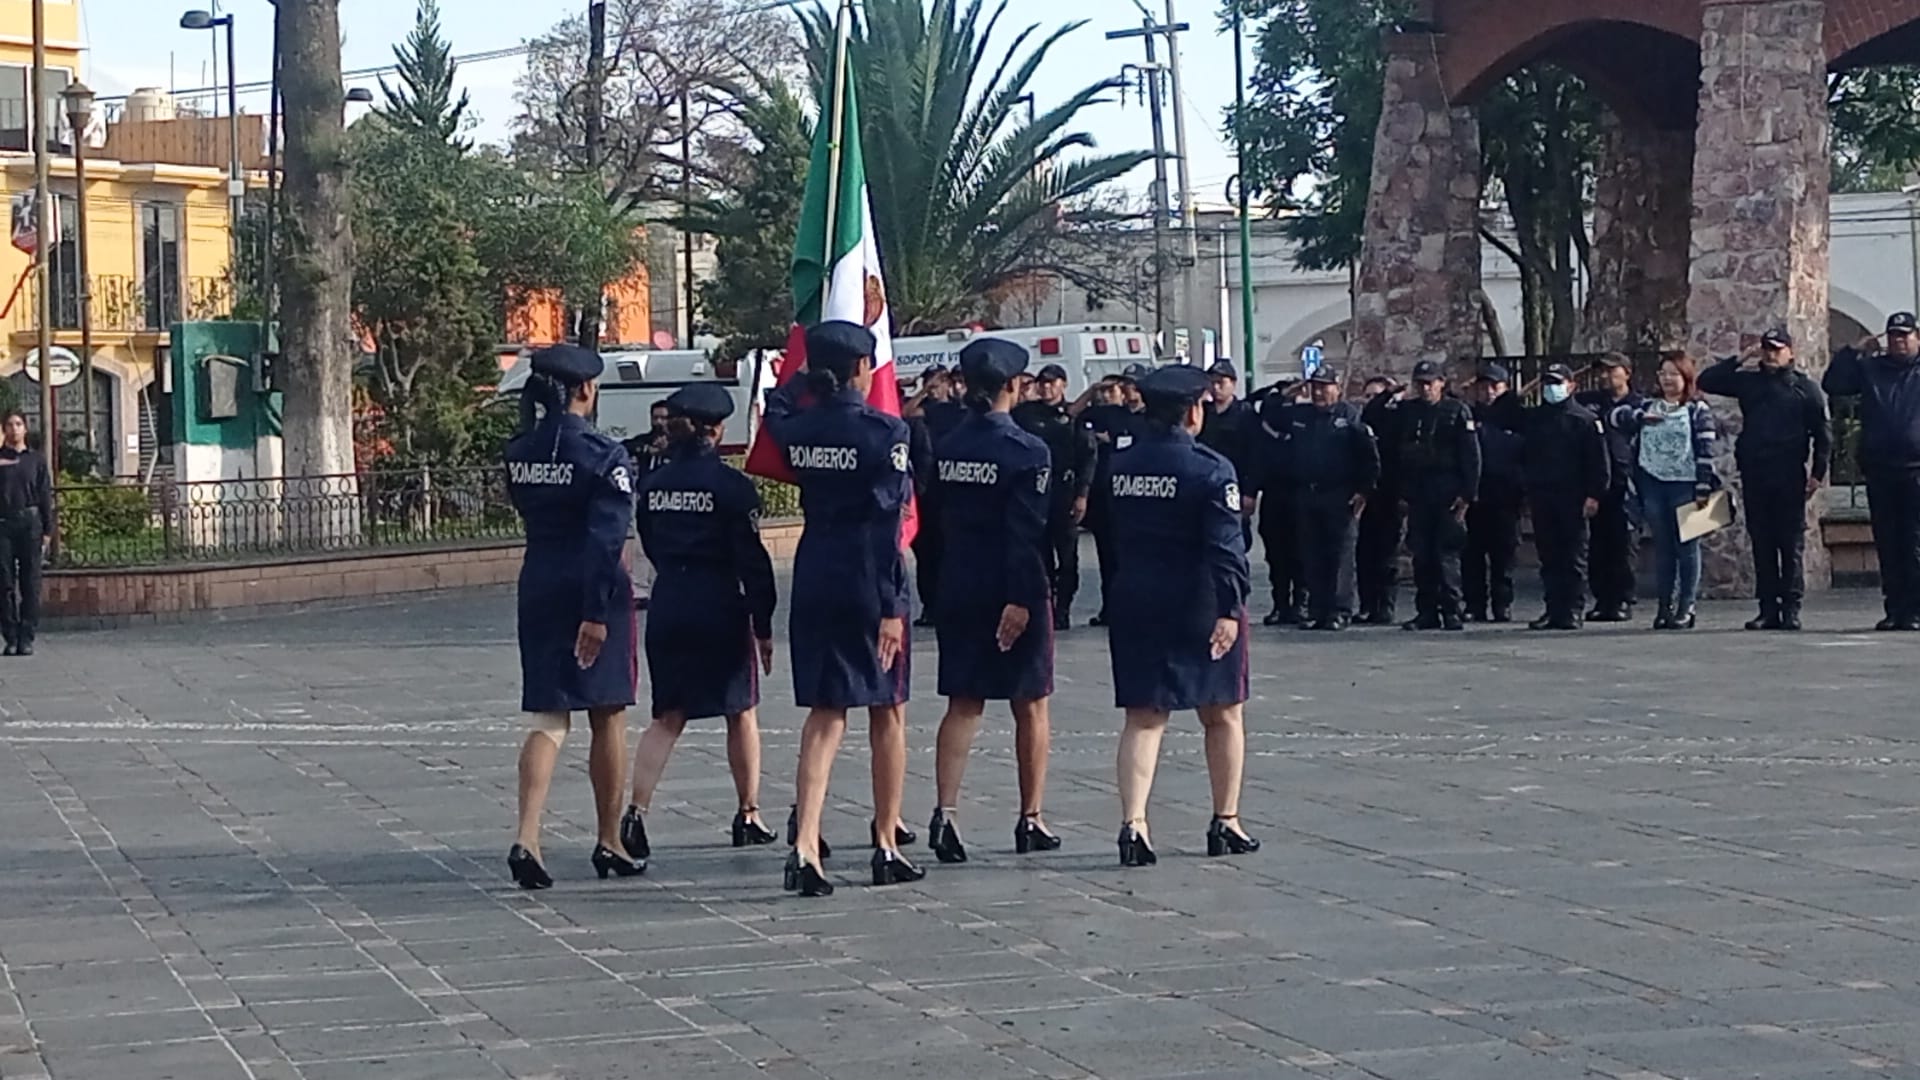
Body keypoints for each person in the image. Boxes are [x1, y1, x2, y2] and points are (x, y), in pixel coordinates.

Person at [761, 321, 924, 897]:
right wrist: (889, 606)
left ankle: (805, 843)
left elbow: (773, 411)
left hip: (815, 569)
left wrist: (798, 376)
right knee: (889, 711)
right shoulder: (886, 431)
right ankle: (885, 840)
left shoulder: (798, 426)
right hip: (866, 576)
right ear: (864, 369)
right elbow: (886, 524)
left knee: (826, 715)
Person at [502, 344, 646, 890]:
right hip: (593, 592)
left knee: (548, 717)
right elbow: (608, 539)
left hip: (538, 581)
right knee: (607, 713)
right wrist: (596, 613)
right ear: (586, 390)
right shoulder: (604, 456)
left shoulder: (521, 450)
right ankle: (609, 839)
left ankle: (527, 835)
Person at [618, 383, 780, 864]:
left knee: (666, 717)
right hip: (719, 604)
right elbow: (752, 561)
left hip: (670, 600)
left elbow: (647, 536)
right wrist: (764, 623)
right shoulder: (732, 489)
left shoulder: (654, 486)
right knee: (741, 709)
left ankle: (636, 811)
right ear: (717, 430)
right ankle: (748, 812)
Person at [1105, 364, 1257, 868]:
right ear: (1194, 411)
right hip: (1197, 602)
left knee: (1144, 718)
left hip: (1136, 599)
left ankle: (1134, 824)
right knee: (1223, 712)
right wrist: (1230, 608)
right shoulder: (1210, 469)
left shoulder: (1121, 467)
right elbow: (1226, 547)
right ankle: (1226, 818)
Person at [927, 339, 1061, 864]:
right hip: (1010, 585)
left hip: (959, 582)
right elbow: (1026, 532)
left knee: (963, 702)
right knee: (1030, 704)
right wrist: (1024, 598)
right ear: (1013, 386)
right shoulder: (1027, 450)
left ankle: (946, 813)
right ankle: (1030, 818)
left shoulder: (948, 444)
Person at [1698, 328, 1832, 631]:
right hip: (1756, 473)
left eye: (1777, 349)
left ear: (1790, 353)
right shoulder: (1749, 382)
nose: (1771, 355)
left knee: (1790, 544)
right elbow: (1707, 380)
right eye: (1767, 349)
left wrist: (1817, 474)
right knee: (1762, 543)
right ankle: (1768, 608)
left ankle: (1791, 608)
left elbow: (1823, 434)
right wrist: (1740, 357)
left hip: (1789, 474)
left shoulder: (1804, 388)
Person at [1824, 312, 1920, 631]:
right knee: (1889, 544)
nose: (1900, 341)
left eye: (1906, 335)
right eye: (1894, 335)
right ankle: (1894, 609)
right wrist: (1853, 350)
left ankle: (1916, 610)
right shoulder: (1872, 369)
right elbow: (1834, 384)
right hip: (1881, 470)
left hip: (1916, 471)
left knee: (1915, 542)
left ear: (1917, 338)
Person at [1611, 354, 1719, 630]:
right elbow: (1615, 417)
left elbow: (1706, 449)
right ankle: (1664, 606)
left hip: (1686, 484)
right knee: (1663, 548)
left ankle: (1687, 606)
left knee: (1687, 547)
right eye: (1663, 373)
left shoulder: (1697, 409)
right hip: (1652, 483)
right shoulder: (1648, 405)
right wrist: (1639, 417)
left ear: (1686, 378)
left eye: (1674, 373)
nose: (1668, 379)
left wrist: (1703, 486)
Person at [1287, 367, 1380, 630]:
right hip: (1308, 494)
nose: (1318, 392)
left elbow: (1369, 457)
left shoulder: (1350, 416)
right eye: (1314, 386)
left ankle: (1340, 611)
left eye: (1325, 386)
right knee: (1312, 555)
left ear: (1337, 388)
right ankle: (1318, 609)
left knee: (1340, 556)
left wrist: (1364, 490)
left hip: (1340, 495)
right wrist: (1290, 392)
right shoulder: (1301, 415)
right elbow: (1268, 413)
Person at [1520, 364, 1611, 631]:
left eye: (1557, 383)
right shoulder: (1536, 418)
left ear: (1571, 386)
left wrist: (1594, 495)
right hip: (1542, 495)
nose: (1551, 388)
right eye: (1547, 383)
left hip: (1573, 497)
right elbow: (1523, 448)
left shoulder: (1584, 419)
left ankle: (1572, 610)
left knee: (1573, 557)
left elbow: (1599, 462)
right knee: (1549, 557)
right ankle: (1553, 609)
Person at [1393, 361, 1481, 632]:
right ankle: (1426, 612)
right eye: (1420, 382)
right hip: (1419, 492)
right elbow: (1399, 455)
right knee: (1422, 555)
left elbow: (1471, 456)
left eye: (1430, 382)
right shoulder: (1408, 411)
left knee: (1447, 556)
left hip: (1448, 492)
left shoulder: (1456, 411)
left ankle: (1452, 610)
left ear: (1442, 382)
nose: (1425, 387)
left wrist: (1467, 494)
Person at [1012, 363, 1096, 630]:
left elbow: (1088, 457)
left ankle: (1064, 608)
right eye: (1043, 383)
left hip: (1065, 490)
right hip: (1036, 492)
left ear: (1063, 385)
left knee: (1068, 555)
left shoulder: (1074, 416)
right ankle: (1046, 605)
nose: (1046, 387)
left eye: (1052, 382)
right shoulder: (1025, 414)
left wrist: (1082, 494)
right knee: (1041, 554)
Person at [1577, 353, 1647, 622]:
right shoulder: (1590, 402)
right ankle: (1603, 599)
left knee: (1623, 546)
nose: (1604, 376)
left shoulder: (1639, 404)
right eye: (1600, 372)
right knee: (1597, 545)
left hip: (1625, 484)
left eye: (1610, 370)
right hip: (1595, 483)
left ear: (1626, 372)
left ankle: (1622, 600)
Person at [1080, 366, 1149, 626]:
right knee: (1108, 558)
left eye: (1134, 384)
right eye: (1126, 384)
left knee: (1135, 558)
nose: (1129, 389)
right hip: (1109, 496)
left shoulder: (1151, 417)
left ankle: (1138, 607)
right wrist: (1094, 390)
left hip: (1137, 497)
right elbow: (1073, 414)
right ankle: (1110, 608)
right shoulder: (1112, 414)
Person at [1464, 365, 1525, 623]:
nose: (1488, 391)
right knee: (1471, 555)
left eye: (1494, 386)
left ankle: (1502, 604)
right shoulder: (1468, 413)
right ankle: (1474, 604)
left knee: (1504, 555)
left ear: (1505, 387)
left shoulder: (1517, 416)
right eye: (1483, 386)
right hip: (1475, 496)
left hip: (1505, 496)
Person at [1247, 378, 1310, 624]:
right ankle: (1281, 603)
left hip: (1301, 493)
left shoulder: (1305, 417)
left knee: (1301, 553)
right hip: (1275, 494)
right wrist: (1280, 391)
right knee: (1277, 554)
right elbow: (1257, 403)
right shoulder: (1267, 422)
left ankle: (1301, 602)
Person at [905, 367, 964, 629]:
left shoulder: (957, 410)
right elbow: (904, 413)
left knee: (949, 553)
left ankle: (951, 604)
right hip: (924, 493)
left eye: (941, 382)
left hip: (949, 492)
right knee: (926, 556)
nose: (937, 388)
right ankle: (930, 606)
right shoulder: (923, 410)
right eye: (933, 383)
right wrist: (923, 391)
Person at [0, 410, 53, 657]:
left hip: (30, 523)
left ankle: (27, 636)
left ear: (25, 428)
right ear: (4, 429)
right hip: (3, 525)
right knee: (4, 583)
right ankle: (10, 637)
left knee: (30, 582)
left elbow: (45, 495)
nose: (14, 429)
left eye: (18, 424)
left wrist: (47, 530)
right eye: (9, 424)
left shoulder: (36, 460)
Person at [1356, 377, 1407, 624]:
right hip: (1365, 495)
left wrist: (1389, 397)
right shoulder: (1360, 423)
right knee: (1364, 554)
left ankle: (1385, 605)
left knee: (1387, 554)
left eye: (1375, 396)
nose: (1371, 402)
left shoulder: (1395, 422)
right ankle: (1367, 605)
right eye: (1367, 396)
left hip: (1389, 494)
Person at [1199, 361, 1258, 549]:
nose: (1216, 388)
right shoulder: (1203, 413)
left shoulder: (1245, 414)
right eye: (1212, 383)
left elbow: (1255, 455)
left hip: (1235, 484)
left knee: (1237, 537)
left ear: (1233, 384)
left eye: (1221, 383)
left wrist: (1250, 492)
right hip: (1206, 484)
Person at [622, 401, 672, 611]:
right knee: (642, 546)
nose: (659, 422)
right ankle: (640, 591)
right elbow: (626, 446)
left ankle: (666, 586)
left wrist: (667, 451)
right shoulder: (645, 441)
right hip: (645, 499)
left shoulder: (678, 444)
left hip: (669, 500)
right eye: (656, 417)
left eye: (663, 417)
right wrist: (648, 450)